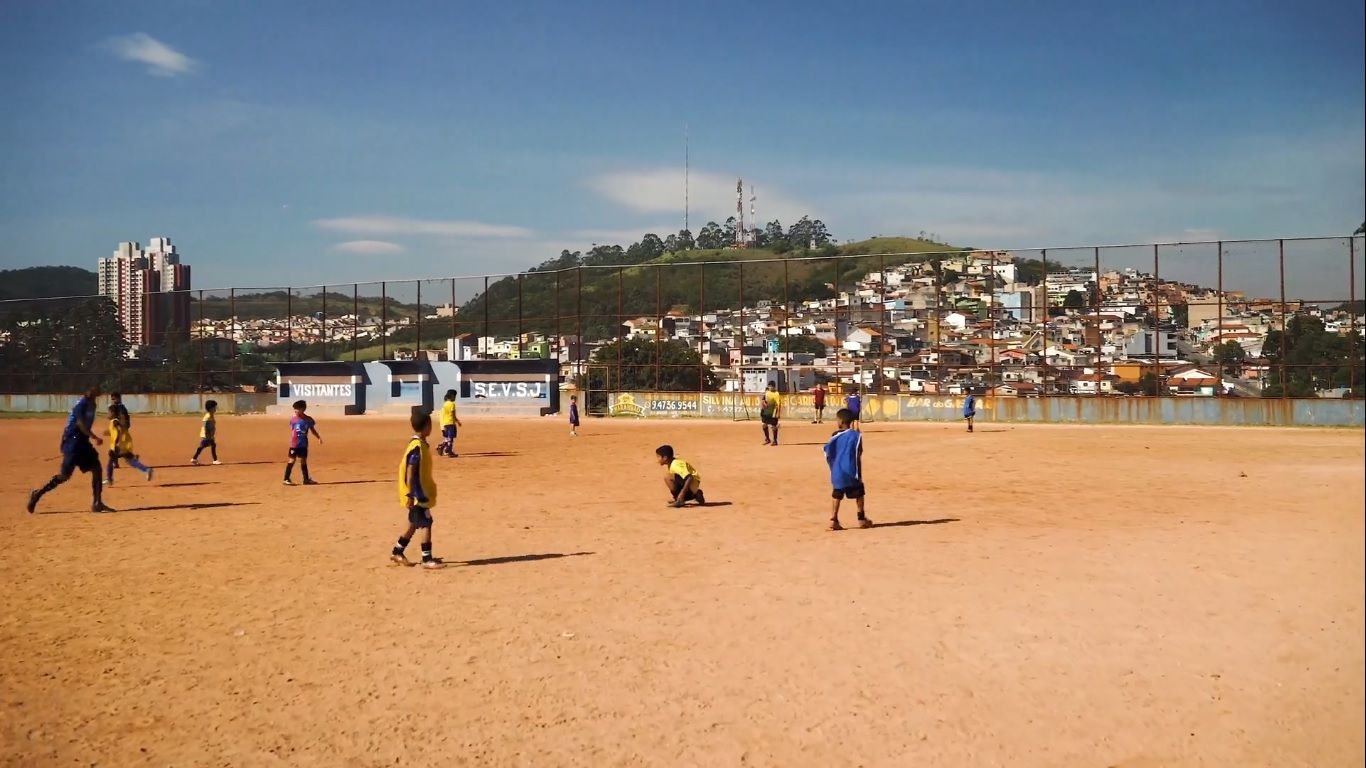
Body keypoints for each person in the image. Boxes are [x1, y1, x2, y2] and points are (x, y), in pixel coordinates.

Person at [27, 385, 114, 514]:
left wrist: (88, 437)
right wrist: (94, 437)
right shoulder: (81, 404)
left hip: (82, 441)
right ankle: (38, 493)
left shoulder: (92, 404)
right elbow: (80, 423)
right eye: (92, 389)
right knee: (64, 475)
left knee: (96, 468)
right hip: (72, 441)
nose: (96, 391)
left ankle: (97, 503)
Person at [390, 410, 445, 569]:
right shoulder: (416, 447)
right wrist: (410, 494)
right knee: (426, 523)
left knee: (413, 524)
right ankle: (426, 559)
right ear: (426, 426)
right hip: (417, 494)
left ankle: (397, 552)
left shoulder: (420, 444)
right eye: (430, 425)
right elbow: (411, 470)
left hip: (417, 492)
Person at [823, 408, 872, 531]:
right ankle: (861, 519)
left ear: (841, 422)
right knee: (859, 493)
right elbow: (859, 452)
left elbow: (828, 453)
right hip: (851, 470)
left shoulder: (835, 435)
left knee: (837, 493)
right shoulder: (856, 435)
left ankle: (833, 519)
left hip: (838, 470)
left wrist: (833, 467)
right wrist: (858, 472)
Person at [106, 392, 153, 485]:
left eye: (109, 412)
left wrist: (117, 443)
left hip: (121, 442)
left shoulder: (117, 417)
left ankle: (109, 479)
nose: (108, 414)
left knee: (111, 458)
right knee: (130, 461)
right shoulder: (115, 418)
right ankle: (146, 470)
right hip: (124, 441)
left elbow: (120, 429)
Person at [283, 399, 322, 486]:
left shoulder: (308, 420)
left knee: (303, 461)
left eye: (297, 409)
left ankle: (306, 479)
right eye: (294, 409)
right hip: (294, 444)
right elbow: (292, 429)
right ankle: (286, 479)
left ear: (302, 409)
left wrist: (318, 437)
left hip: (303, 444)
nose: (295, 411)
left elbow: (312, 430)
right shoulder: (293, 419)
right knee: (292, 460)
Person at [191, 400, 220, 464]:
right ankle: (194, 458)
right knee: (203, 446)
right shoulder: (208, 416)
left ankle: (194, 459)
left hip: (209, 435)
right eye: (214, 407)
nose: (215, 409)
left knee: (210, 445)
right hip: (207, 435)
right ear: (211, 408)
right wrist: (208, 435)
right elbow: (205, 426)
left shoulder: (211, 415)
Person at [437, 389, 462, 457]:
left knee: (448, 438)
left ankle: (443, 448)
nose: (455, 398)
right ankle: (449, 451)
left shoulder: (444, 404)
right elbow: (453, 415)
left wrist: (442, 426)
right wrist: (458, 421)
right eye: (455, 396)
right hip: (451, 423)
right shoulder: (452, 404)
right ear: (452, 396)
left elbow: (442, 415)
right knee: (450, 438)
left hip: (444, 423)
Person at [760, 381, 781, 446]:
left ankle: (775, 441)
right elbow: (763, 400)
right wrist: (764, 403)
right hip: (766, 412)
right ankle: (767, 439)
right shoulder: (767, 393)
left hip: (773, 412)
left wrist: (778, 413)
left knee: (774, 426)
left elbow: (779, 404)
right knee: (764, 425)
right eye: (769, 386)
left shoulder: (776, 394)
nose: (770, 387)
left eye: (771, 386)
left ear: (774, 387)